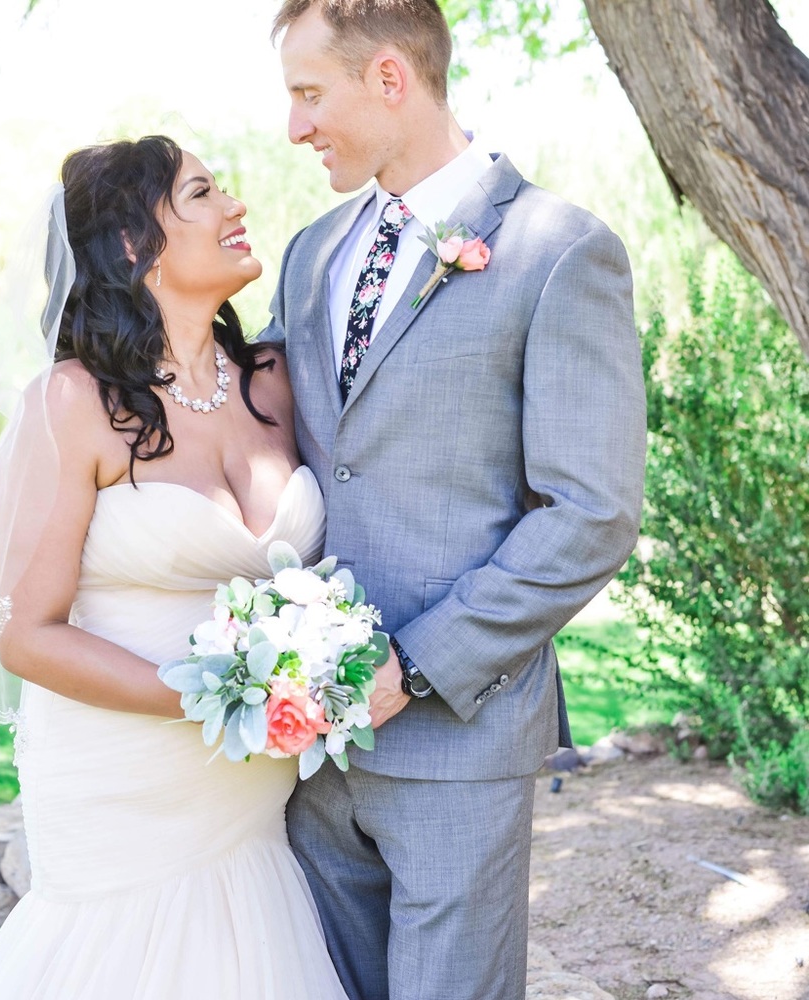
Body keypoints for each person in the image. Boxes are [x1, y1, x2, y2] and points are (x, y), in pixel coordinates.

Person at [264, 3, 647, 999]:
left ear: (389, 78)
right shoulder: (309, 255)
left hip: (456, 742)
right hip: (305, 751)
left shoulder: (559, 250)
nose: (294, 127)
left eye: (309, 94)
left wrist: (416, 664)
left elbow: (590, 513)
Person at [0, 135, 349, 999]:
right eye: (203, 193)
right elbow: (26, 635)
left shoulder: (274, 382)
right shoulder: (73, 401)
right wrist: (230, 697)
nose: (236, 206)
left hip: (249, 803)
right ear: (134, 245)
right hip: (119, 778)